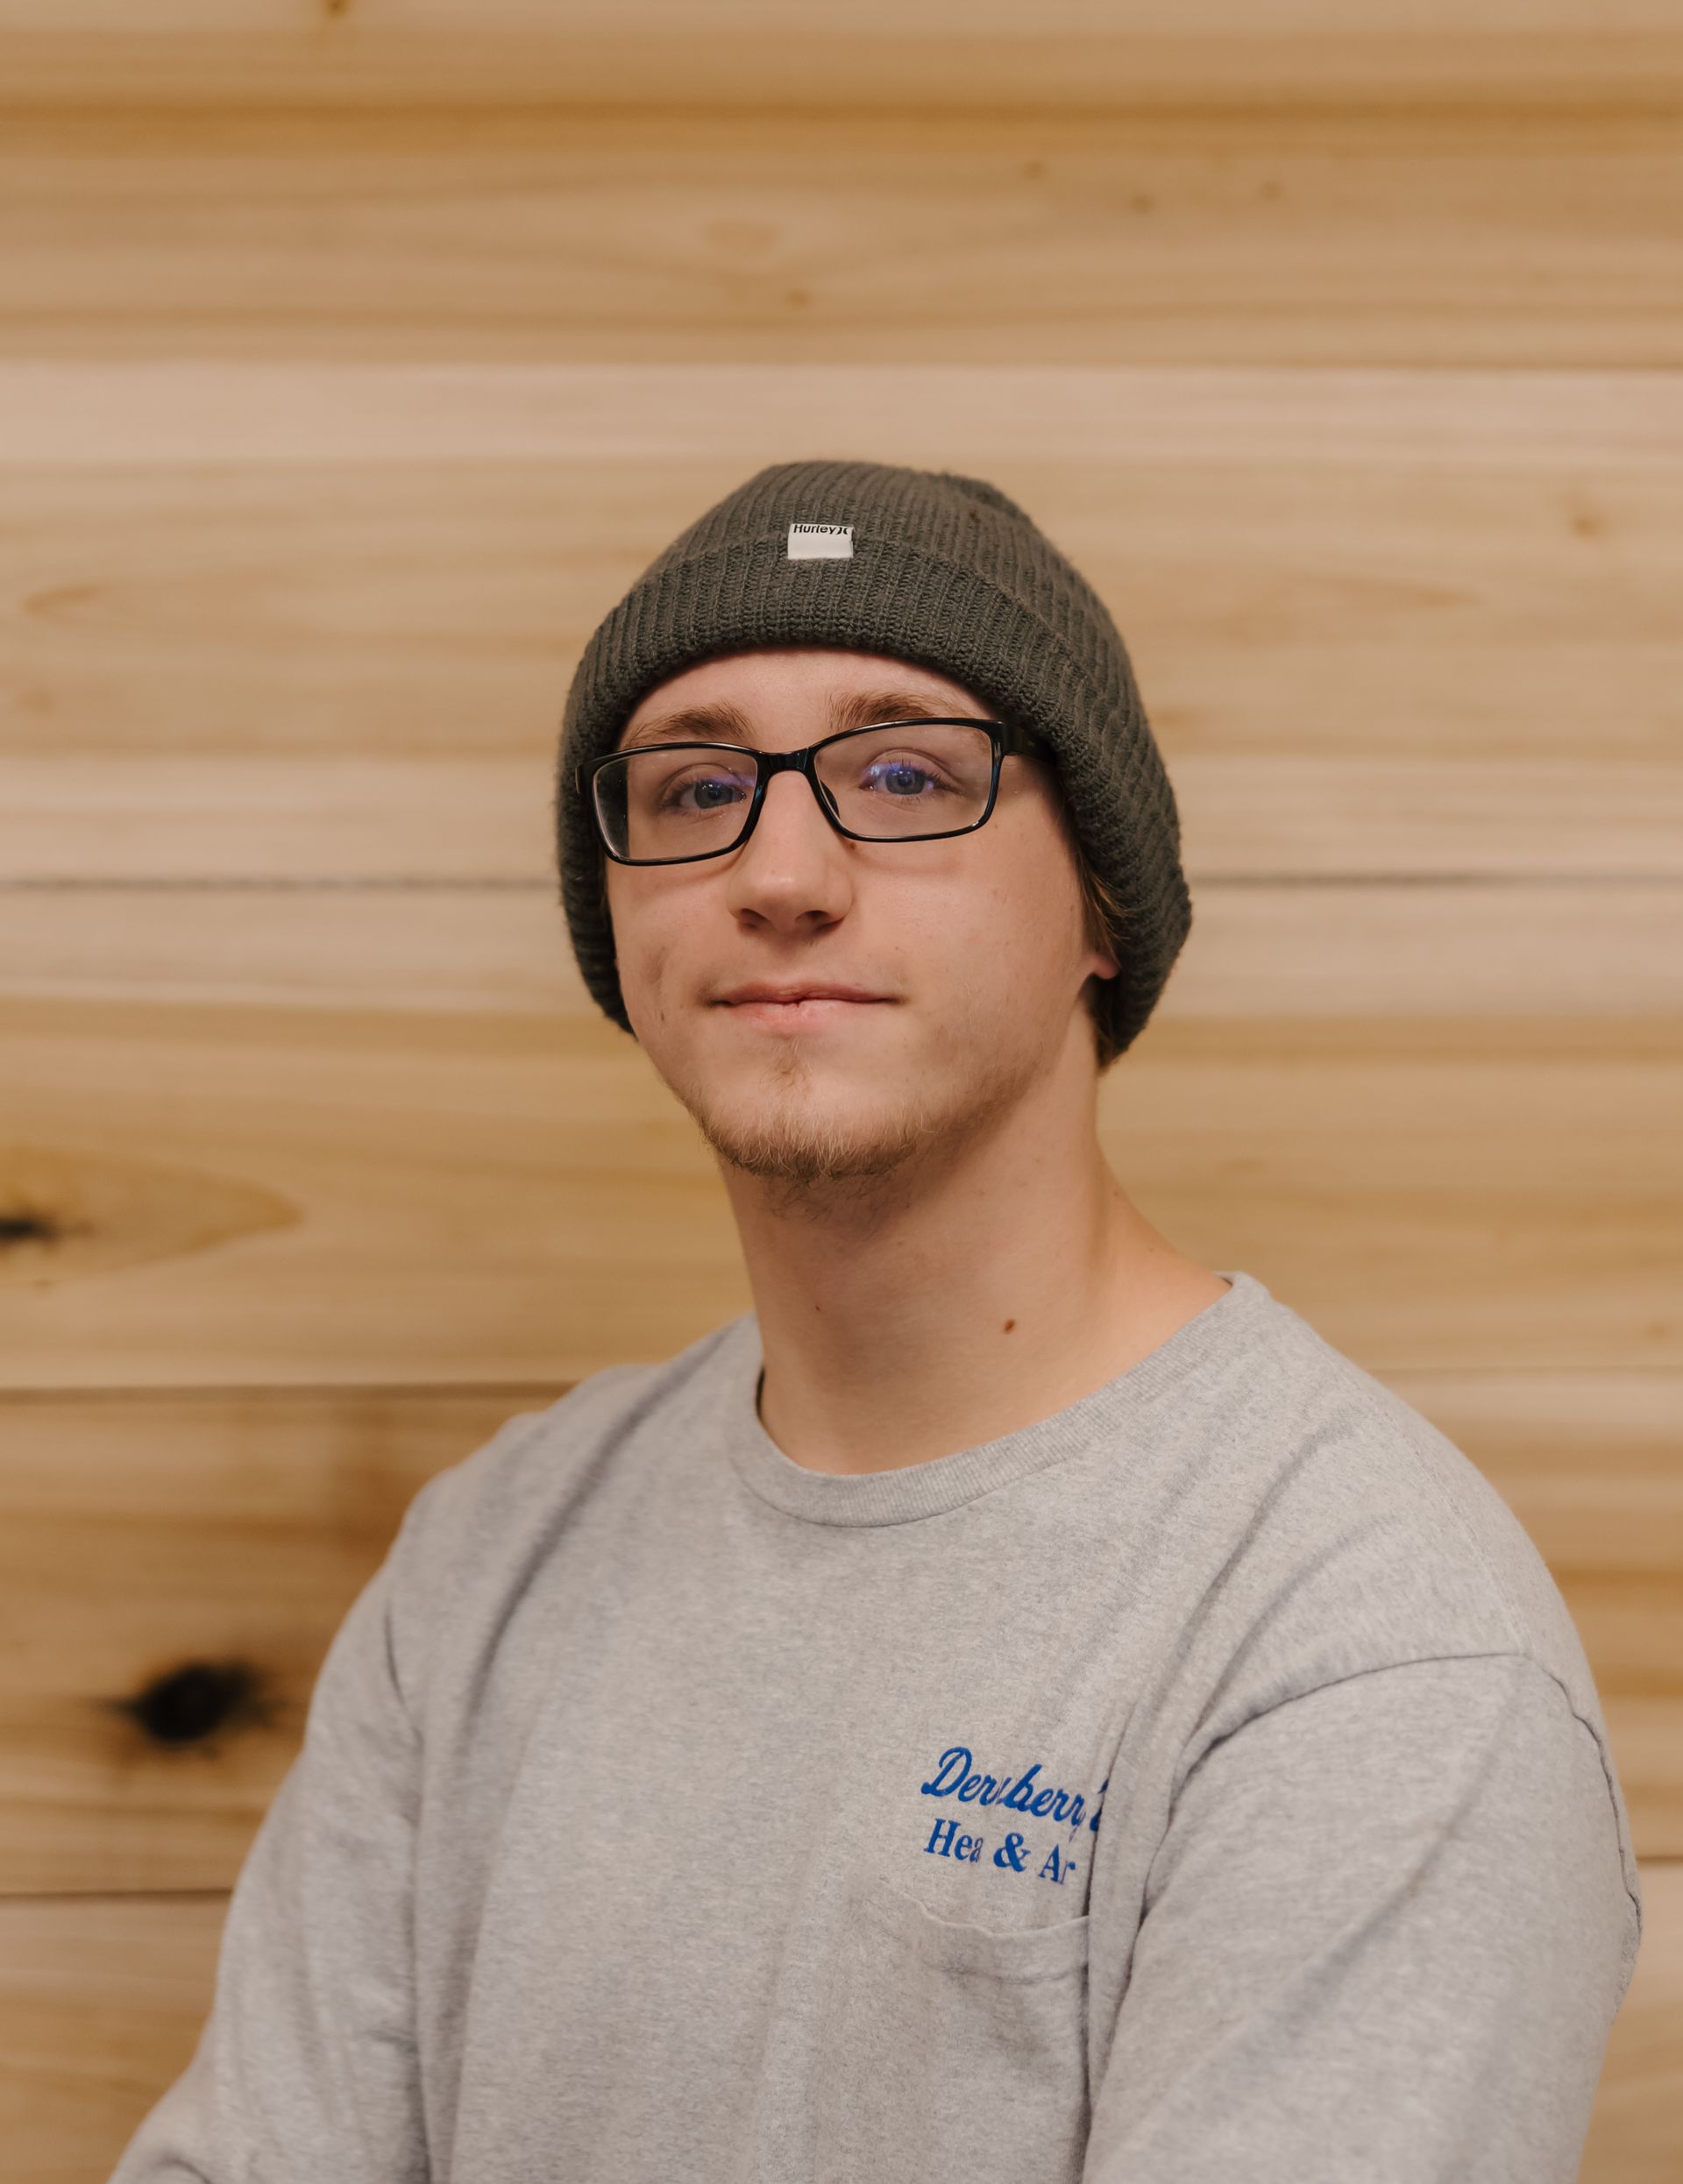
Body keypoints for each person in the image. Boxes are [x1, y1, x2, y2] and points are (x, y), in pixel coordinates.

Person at [113, 459, 1642, 2184]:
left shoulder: (1359, 1640)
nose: (781, 869)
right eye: (693, 786)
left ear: (1106, 911)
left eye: (905, 772)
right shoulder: (488, 1560)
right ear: (617, 923)